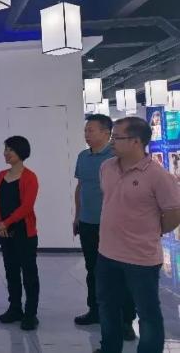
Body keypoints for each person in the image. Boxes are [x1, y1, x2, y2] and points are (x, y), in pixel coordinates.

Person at [94, 117, 180, 353]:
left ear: (136, 141)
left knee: (148, 314)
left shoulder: (158, 175)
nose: (112, 141)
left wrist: (153, 231)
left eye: (117, 137)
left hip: (141, 258)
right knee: (107, 307)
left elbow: (174, 213)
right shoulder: (106, 167)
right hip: (107, 253)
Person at [73, 115, 136, 341]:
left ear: (106, 133)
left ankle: (126, 321)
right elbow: (81, 187)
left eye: (90, 130)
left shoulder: (117, 157)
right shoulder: (83, 156)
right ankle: (95, 310)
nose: (86, 134)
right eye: (85, 130)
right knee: (93, 270)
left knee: (120, 273)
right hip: (88, 223)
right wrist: (77, 216)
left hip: (114, 225)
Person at [0, 136, 40, 331]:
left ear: (21, 151)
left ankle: (31, 314)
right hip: (4, 232)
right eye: (5, 149)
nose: (6, 153)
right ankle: (15, 308)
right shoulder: (0, 175)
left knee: (29, 273)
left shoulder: (30, 177)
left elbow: (26, 207)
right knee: (11, 271)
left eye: (10, 149)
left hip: (24, 232)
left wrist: (6, 222)